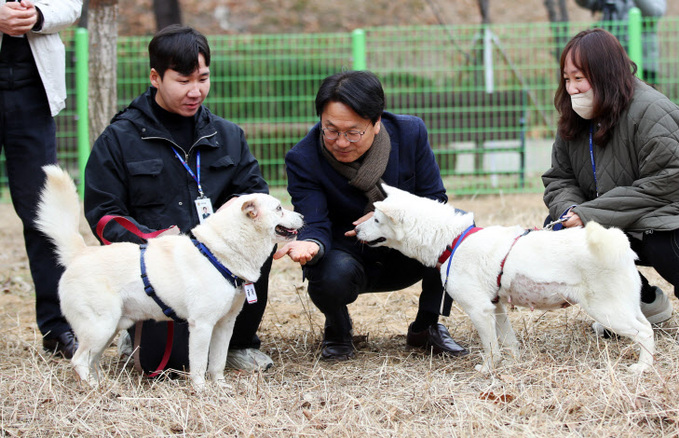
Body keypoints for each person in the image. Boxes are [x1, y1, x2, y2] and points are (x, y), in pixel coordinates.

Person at [84, 25, 273, 372]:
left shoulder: (227, 135)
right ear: (156, 77)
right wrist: (151, 242)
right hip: (161, 274)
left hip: (219, 261)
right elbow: (104, 213)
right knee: (168, 367)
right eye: (183, 80)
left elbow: (254, 192)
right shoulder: (120, 138)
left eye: (203, 78)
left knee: (261, 240)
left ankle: (238, 341)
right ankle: (136, 331)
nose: (195, 90)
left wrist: (244, 216)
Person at [274, 70, 469, 360]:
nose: (341, 141)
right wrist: (311, 243)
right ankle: (338, 328)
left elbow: (435, 200)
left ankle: (427, 326)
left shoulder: (410, 133)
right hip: (349, 257)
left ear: (376, 122)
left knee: (458, 226)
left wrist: (386, 218)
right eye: (331, 130)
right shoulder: (303, 159)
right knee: (327, 271)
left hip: (407, 251)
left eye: (353, 132)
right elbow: (314, 220)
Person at [542, 28, 677, 331]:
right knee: (565, 236)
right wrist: (569, 213)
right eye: (567, 79)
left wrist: (588, 215)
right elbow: (559, 178)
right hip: (614, 219)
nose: (573, 88)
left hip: (663, 216)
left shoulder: (652, 110)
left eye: (580, 77)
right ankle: (641, 303)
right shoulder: (572, 116)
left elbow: (668, 180)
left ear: (606, 73)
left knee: (661, 239)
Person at [0, 0, 82, 359]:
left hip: (34, 92)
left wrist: (38, 16)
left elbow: (72, 6)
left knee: (42, 213)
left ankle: (56, 327)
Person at [575, 0, 666, 86]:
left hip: (644, 62)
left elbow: (654, 12)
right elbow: (588, 2)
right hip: (610, 61)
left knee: (643, 99)